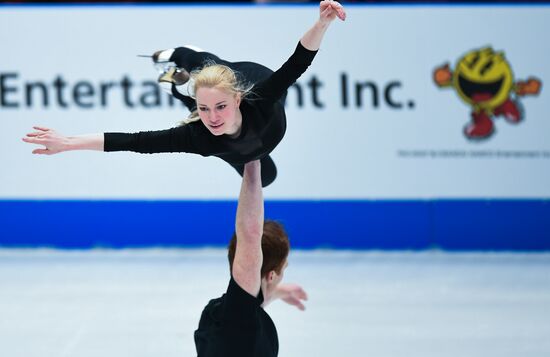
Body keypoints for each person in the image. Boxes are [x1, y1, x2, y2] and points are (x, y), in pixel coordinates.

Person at [22, 1, 346, 186]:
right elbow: (133, 142)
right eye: (205, 111)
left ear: (236, 101)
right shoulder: (199, 136)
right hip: (229, 120)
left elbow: (298, 61)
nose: (213, 119)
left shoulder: (259, 100)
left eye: (220, 108)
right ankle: (181, 88)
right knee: (264, 176)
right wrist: (68, 143)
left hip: (250, 76)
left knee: (212, 68)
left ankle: (180, 55)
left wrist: (322, 23)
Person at [194, 159, 308, 356]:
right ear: (271, 275)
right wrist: (252, 160)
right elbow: (250, 234)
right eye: (284, 269)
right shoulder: (242, 324)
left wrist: (277, 292)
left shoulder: (217, 311)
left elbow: (249, 299)